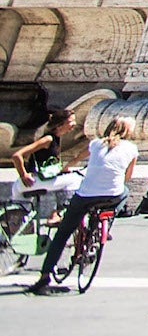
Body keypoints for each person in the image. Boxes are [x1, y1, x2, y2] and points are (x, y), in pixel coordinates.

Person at [27, 117, 136, 295]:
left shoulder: (95, 144)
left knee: (63, 233)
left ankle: (45, 276)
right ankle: (106, 222)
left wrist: (67, 167)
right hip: (112, 195)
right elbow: (128, 177)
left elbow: (79, 157)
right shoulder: (132, 149)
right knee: (124, 191)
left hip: (86, 195)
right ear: (128, 133)